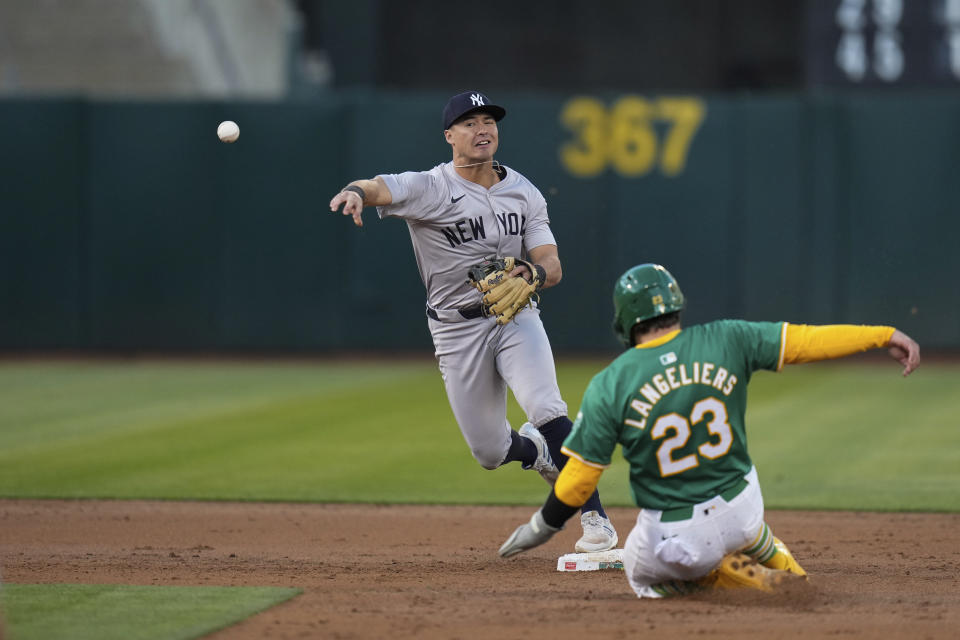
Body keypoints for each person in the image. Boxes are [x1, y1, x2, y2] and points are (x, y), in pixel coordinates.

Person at [499, 263, 920, 596]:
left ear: (626, 320)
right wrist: (881, 335)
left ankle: (741, 577)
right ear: (676, 304)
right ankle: (770, 554)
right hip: (744, 504)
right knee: (743, 519)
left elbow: (579, 478)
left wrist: (540, 528)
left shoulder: (612, 382)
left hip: (680, 534)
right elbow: (807, 342)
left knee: (641, 574)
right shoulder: (727, 337)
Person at [328, 91, 617, 552]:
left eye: (488, 121)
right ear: (449, 136)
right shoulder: (430, 186)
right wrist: (355, 192)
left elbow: (552, 263)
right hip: (454, 327)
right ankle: (536, 453)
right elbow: (380, 186)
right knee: (489, 451)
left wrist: (535, 274)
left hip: (514, 316)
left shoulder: (524, 192)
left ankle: (596, 519)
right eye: (468, 123)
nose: (482, 129)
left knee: (546, 408)